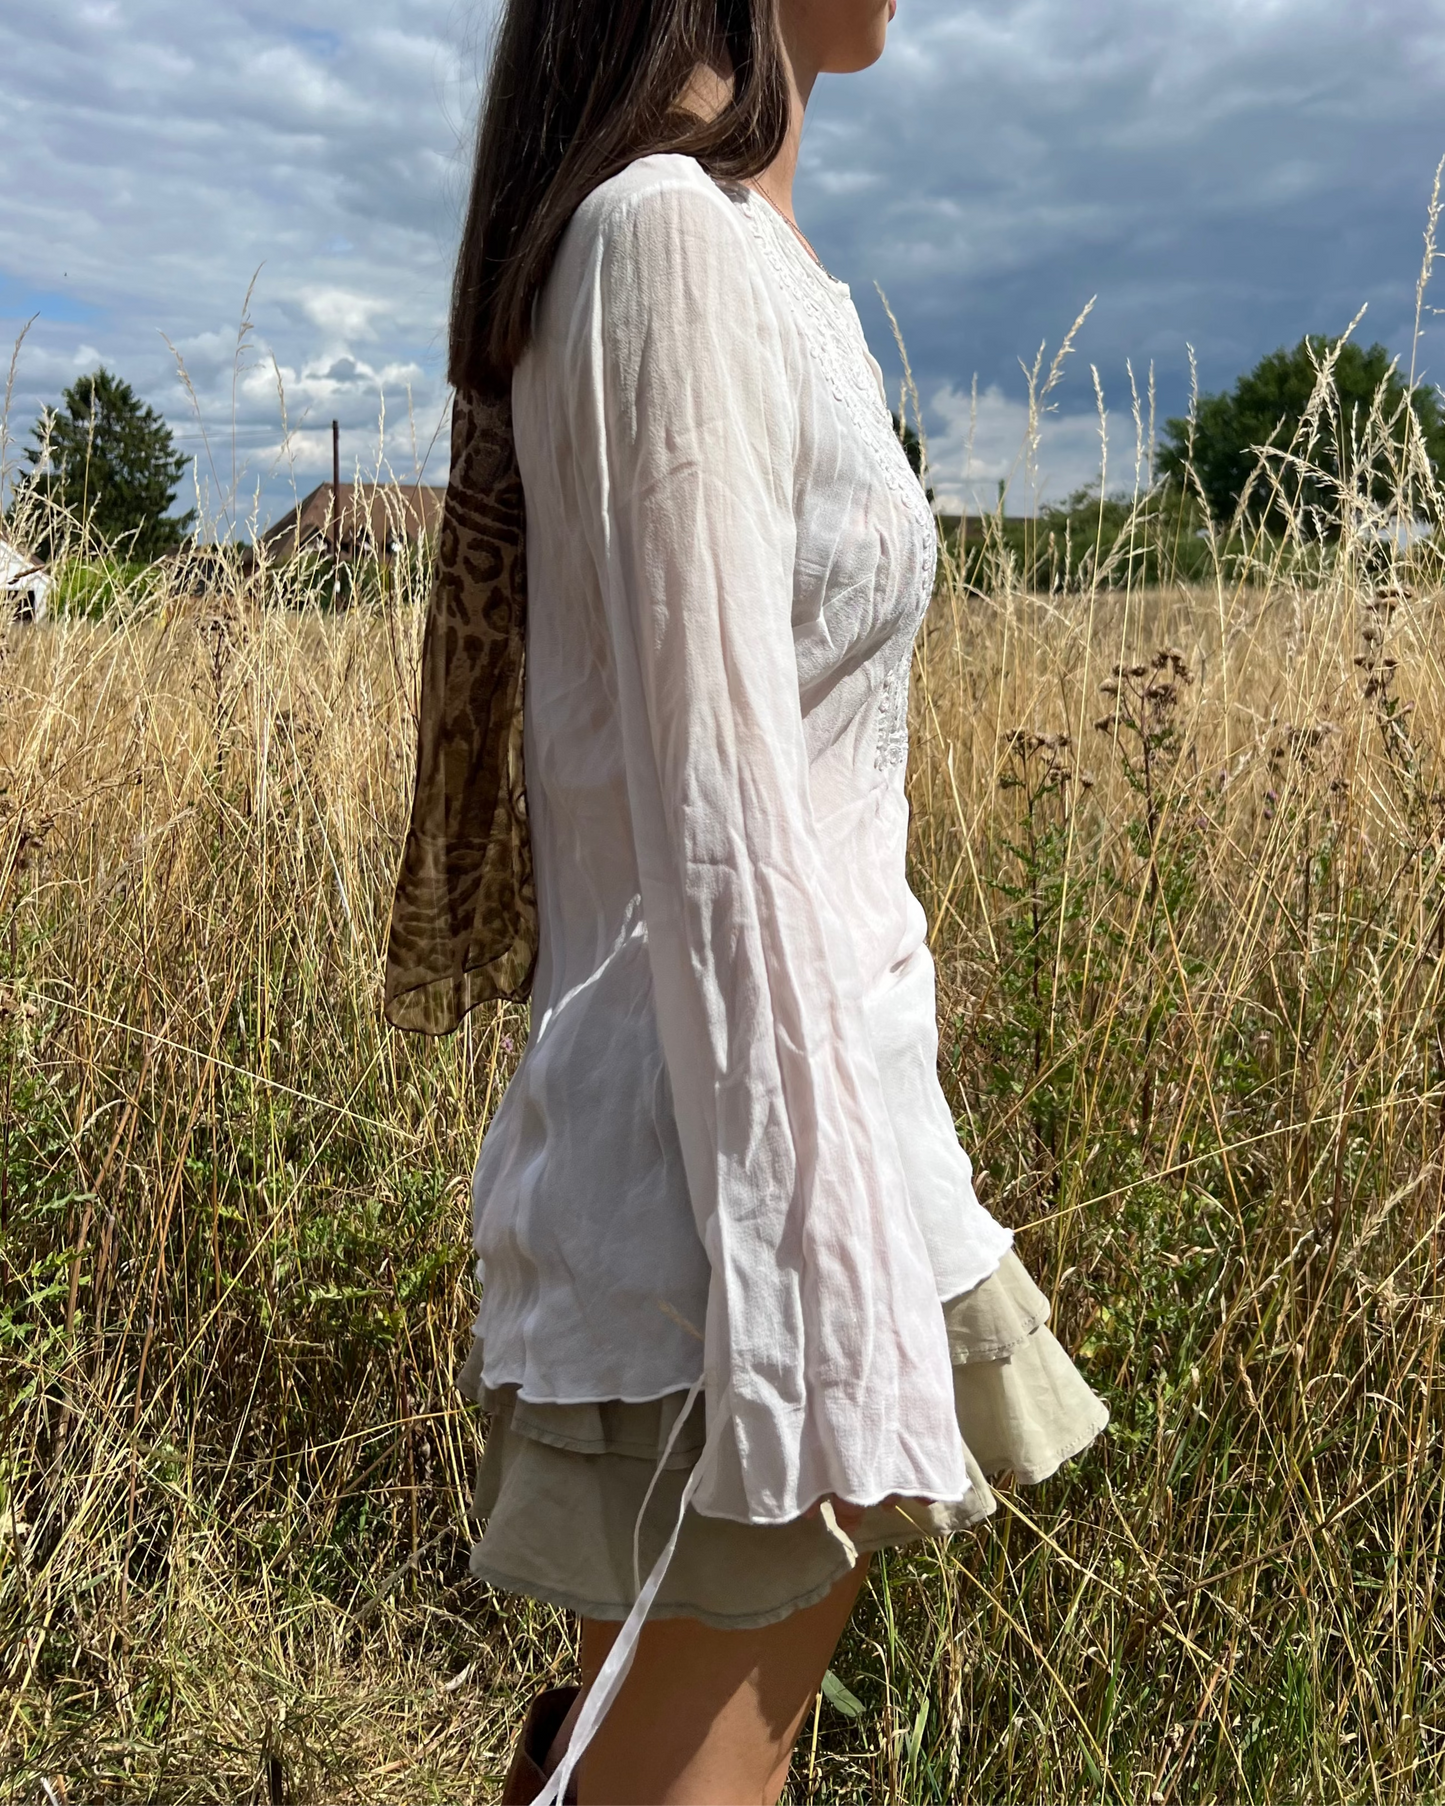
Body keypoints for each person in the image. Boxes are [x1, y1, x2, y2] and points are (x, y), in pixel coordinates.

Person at [384, 1, 1108, 1801]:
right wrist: (814, 1300)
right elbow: (716, 822)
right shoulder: (663, 241)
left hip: (810, 1149)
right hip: (734, 1206)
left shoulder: (755, 255)